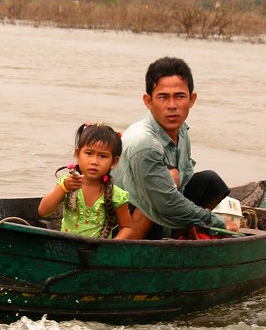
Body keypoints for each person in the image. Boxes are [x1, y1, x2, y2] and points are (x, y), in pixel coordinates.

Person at [112, 57, 239, 239]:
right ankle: (128, 253)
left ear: (191, 99)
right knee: (164, 187)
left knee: (211, 182)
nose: (172, 106)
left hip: (162, 209)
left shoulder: (182, 131)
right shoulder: (144, 142)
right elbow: (166, 202)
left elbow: (182, 187)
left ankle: (182, 233)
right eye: (163, 97)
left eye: (179, 96)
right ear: (148, 101)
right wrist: (216, 223)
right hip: (123, 225)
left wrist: (195, 221)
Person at [38, 122, 132, 240]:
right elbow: (43, 211)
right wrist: (63, 187)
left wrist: (109, 247)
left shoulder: (116, 195)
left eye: (103, 156)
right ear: (77, 154)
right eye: (89, 153)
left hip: (98, 253)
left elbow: (127, 228)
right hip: (67, 249)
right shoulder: (68, 183)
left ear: (113, 162)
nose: (94, 161)